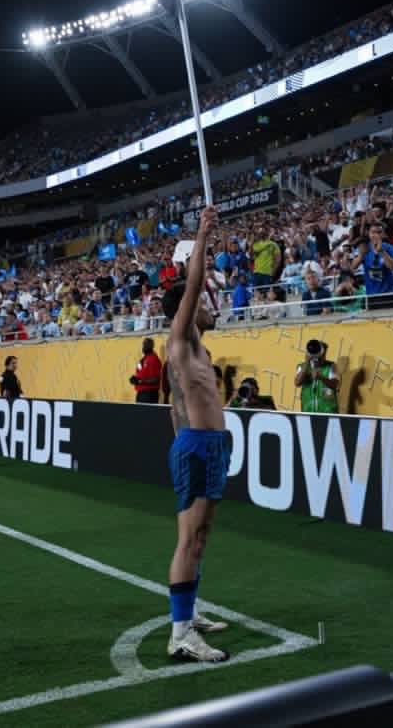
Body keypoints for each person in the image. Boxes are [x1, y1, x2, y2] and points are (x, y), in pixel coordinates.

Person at [161, 206, 231, 663]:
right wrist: (203, 234)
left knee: (199, 536)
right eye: (202, 304)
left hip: (207, 446)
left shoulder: (197, 352)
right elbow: (194, 284)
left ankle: (189, 613)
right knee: (190, 538)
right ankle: (181, 633)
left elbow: (175, 408)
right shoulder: (180, 340)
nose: (208, 306)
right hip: (199, 449)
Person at [350, 222, 393, 310]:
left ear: (383, 234)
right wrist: (361, 255)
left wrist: (382, 252)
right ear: (369, 234)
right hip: (371, 295)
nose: (376, 235)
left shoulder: (390, 248)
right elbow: (353, 267)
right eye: (373, 232)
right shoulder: (364, 248)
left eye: (379, 232)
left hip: (389, 294)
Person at [294, 339, 339, 414]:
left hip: (328, 412)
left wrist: (322, 378)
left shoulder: (331, 366)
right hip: (308, 411)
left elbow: (335, 385)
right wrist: (307, 362)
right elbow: (297, 383)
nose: (321, 356)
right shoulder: (302, 367)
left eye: (323, 354)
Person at [130, 337, 162, 404]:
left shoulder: (153, 359)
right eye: (143, 344)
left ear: (151, 346)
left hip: (149, 394)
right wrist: (134, 379)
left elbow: (155, 380)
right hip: (141, 392)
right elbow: (140, 373)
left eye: (145, 345)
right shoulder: (143, 359)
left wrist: (140, 381)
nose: (143, 347)